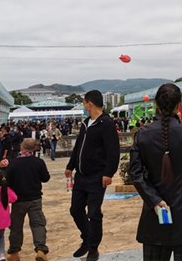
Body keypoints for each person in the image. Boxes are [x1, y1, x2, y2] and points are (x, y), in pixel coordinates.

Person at [130, 83, 182, 260]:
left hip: (156, 213)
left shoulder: (142, 133)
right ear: (178, 105)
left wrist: (154, 200)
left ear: (156, 104)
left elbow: (135, 174)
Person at [65, 90, 120, 261]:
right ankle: (87, 239)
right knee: (75, 210)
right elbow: (78, 147)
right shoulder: (86, 123)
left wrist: (108, 173)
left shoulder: (106, 124)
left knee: (94, 213)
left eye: (84, 103)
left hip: (97, 176)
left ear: (90, 103)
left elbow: (113, 151)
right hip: (80, 176)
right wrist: (70, 165)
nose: (83, 106)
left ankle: (93, 248)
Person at [4, 138, 51, 261]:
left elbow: (6, 181)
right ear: (35, 148)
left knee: (16, 226)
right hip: (35, 198)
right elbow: (45, 178)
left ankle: (14, 252)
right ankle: (40, 250)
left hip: (18, 200)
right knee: (38, 224)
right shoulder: (38, 162)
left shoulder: (13, 163)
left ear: (21, 148)